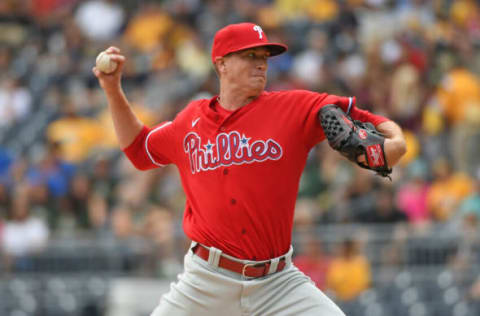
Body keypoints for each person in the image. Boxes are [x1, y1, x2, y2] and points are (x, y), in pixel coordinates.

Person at [93, 22, 406, 316]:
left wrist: (395, 141)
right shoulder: (189, 121)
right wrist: (112, 89)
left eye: (264, 57)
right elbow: (138, 150)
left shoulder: (294, 108)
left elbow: (370, 121)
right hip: (205, 282)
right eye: (250, 55)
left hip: (278, 282)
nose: (261, 63)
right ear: (221, 63)